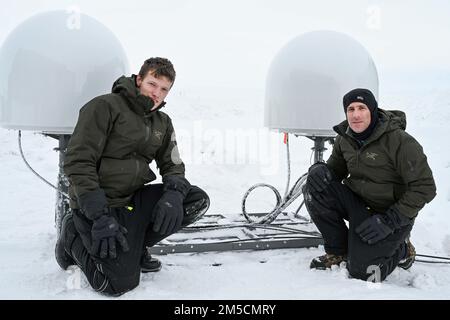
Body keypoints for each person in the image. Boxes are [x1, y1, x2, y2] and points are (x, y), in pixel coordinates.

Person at [55, 57, 210, 296]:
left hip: (130, 203)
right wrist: (98, 215)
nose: (156, 93)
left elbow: (174, 164)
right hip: (98, 206)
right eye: (152, 84)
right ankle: (71, 236)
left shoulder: (162, 122)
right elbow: (78, 162)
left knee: (193, 199)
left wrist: (173, 195)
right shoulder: (105, 106)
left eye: (164, 89)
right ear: (139, 80)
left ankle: (137, 247)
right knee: (116, 285)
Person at [302, 88, 436, 282]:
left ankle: (402, 249)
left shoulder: (400, 142)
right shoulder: (345, 138)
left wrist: (391, 220)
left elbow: (425, 187)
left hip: (390, 214)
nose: (356, 115)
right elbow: (333, 172)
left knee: (365, 272)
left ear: (372, 110)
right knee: (315, 188)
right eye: (351, 109)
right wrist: (318, 169)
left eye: (361, 108)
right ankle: (339, 251)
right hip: (359, 205)